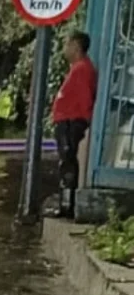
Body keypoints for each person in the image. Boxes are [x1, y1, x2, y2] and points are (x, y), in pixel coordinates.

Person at [50, 31, 99, 218]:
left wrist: (82, 119)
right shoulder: (78, 68)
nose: (65, 49)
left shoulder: (82, 69)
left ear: (76, 47)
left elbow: (85, 98)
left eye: (67, 45)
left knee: (67, 161)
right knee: (66, 161)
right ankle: (66, 203)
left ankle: (67, 205)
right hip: (68, 121)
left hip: (71, 122)